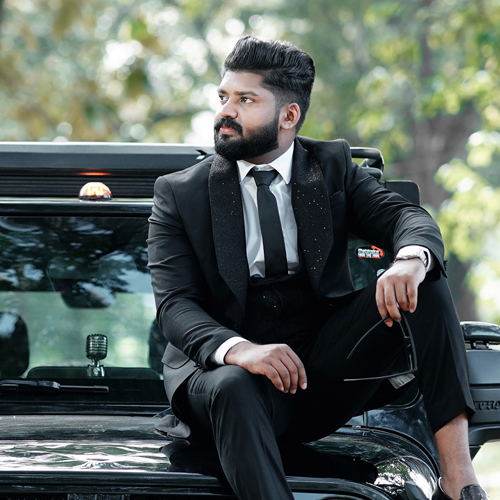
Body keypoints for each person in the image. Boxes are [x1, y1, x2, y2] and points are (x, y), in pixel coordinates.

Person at [148, 36, 488, 500]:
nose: (226, 111)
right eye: (223, 97)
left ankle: (459, 480)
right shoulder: (180, 193)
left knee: (422, 279)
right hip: (225, 386)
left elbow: (406, 218)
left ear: (288, 116)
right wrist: (241, 349)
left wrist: (408, 260)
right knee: (233, 384)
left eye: (246, 100)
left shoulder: (330, 169)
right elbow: (174, 307)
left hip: (317, 375)